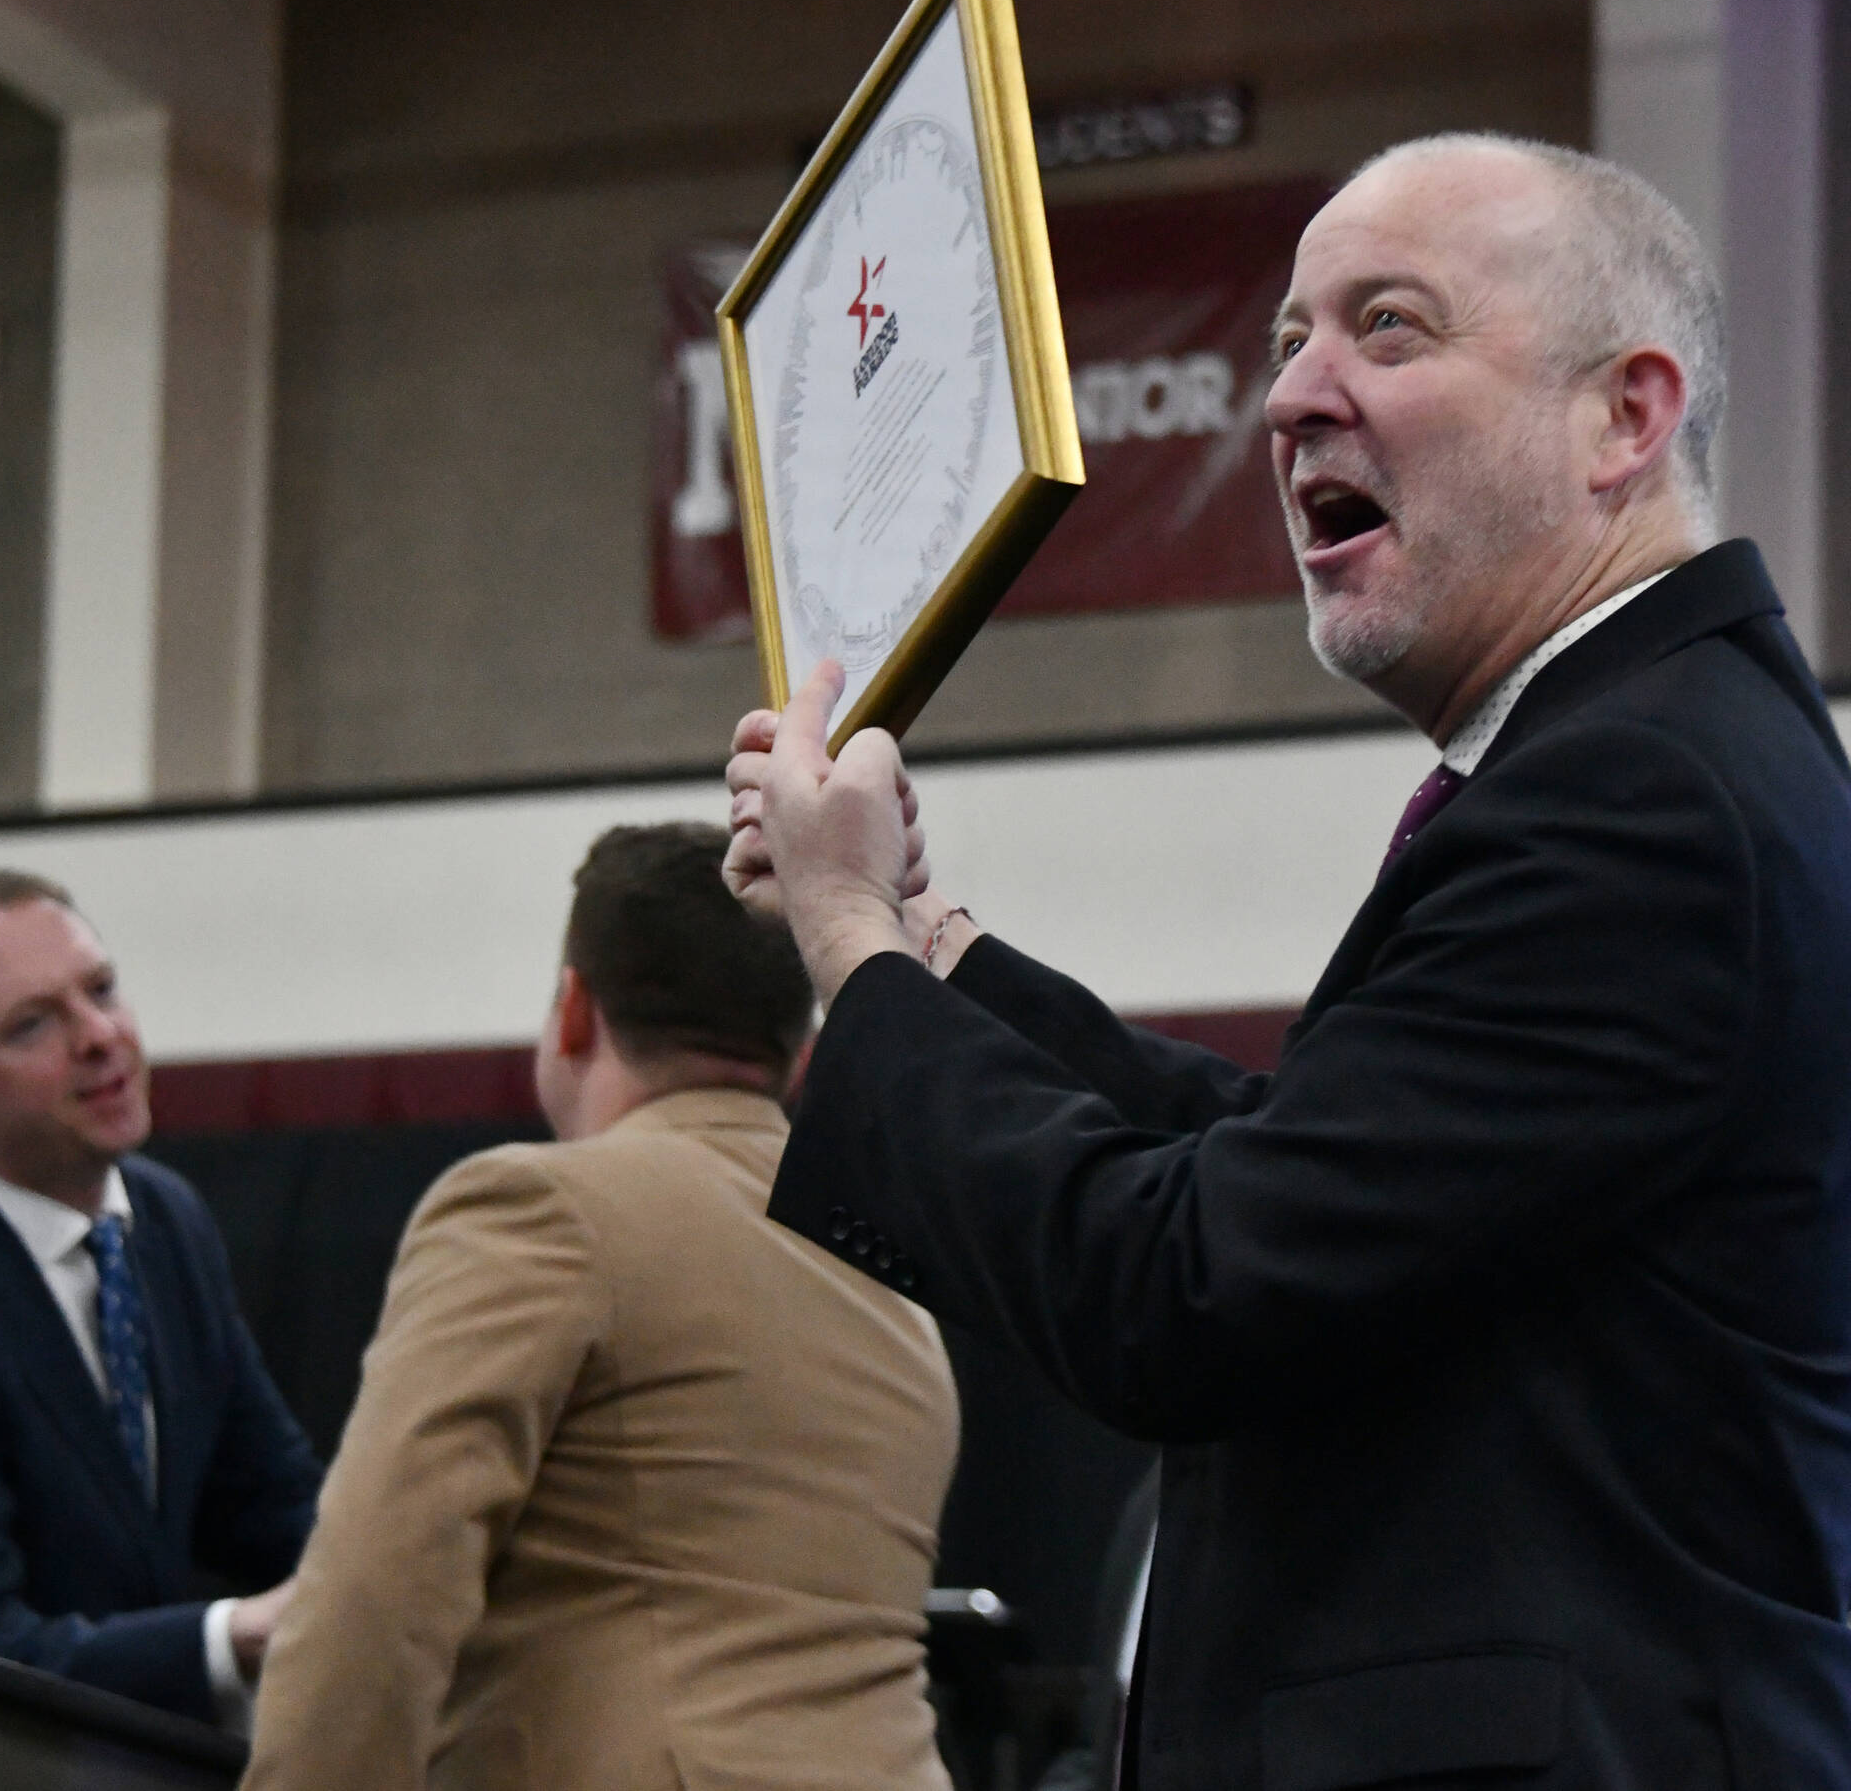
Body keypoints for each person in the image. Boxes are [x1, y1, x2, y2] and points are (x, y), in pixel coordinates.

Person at [726, 134, 1851, 1788]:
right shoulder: (1651, 757)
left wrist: (842, 945)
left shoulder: (1641, 798)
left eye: (1385, 329)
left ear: (1624, 415)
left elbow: (1184, 1293)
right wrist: (923, 941)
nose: (1288, 398)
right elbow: (1287, 1172)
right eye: (1279, 344)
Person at [244, 822, 959, 1791]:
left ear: (572, 1011)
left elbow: (379, 1589)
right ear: (796, 1057)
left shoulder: (542, 1209)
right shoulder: (888, 1278)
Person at [0, 870, 322, 1725]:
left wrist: (404, 1556)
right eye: (33, 1023)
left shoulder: (166, 1221)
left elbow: (268, 1500)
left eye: (102, 990)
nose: (101, 1037)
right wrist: (234, 1638)